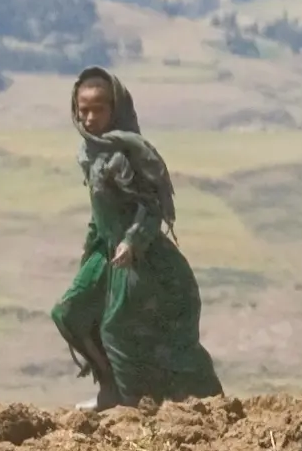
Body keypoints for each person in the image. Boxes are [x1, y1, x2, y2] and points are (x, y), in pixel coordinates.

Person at [51, 68, 223, 409]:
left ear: (115, 108)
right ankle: (109, 385)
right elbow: (100, 210)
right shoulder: (90, 153)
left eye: (98, 108)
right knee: (69, 312)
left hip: (143, 258)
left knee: (119, 330)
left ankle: (132, 405)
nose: (88, 117)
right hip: (107, 251)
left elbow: (151, 207)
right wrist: (91, 247)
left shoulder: (128, 154)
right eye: (82, 109)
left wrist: (132, 241)